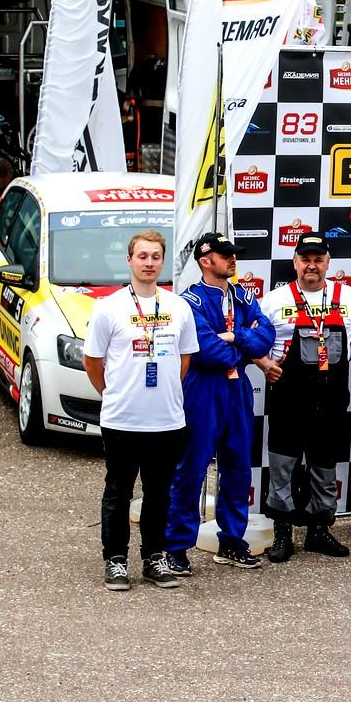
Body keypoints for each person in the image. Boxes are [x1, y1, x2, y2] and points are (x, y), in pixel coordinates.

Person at [82, 229, 199, 591]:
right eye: (142, 256)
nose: (149, 263)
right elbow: (92, 361)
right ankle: (116, 560)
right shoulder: (109, 307)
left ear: (163, 262)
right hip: (122, 419)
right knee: (118, 492)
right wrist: (113, 393)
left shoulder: (178, 307)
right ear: (130, 260)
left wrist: (163, 392)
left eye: (155, 257)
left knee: (159, 493)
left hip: (166, 420)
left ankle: (154, 557)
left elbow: (184, 359)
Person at [164, 232, 276, 574]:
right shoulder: (190, 301)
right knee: (192, 468)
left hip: (237, 387)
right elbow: (208, 351)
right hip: (203, 389)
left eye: (233, 254)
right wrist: (244, 345)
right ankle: (176, 547)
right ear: (205, 260)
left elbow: (266, 336)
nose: (232, 259)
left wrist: (234, 336)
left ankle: (231, 542)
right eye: (225, 255)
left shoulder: (242, 295)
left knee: (238, 467)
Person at [256, 232, 351, 563]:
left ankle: (318, 530)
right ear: (295, 262)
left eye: (318, 259)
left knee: (324, 463)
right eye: (305, 259)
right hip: (288, 397)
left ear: (328, 263)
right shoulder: (275, 300)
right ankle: (282, 532)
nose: (312, 265)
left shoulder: (347, 297)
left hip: (331, 397)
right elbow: (252, 340)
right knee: (283, 465)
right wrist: (264, 364)